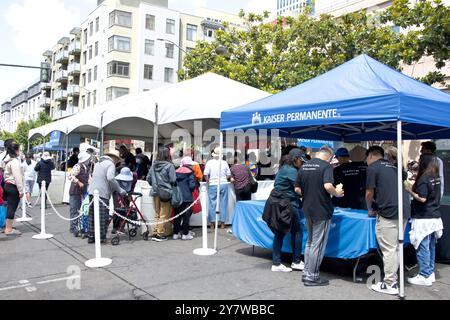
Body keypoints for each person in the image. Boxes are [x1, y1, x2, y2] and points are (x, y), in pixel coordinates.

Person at [295, 146, 344, 286]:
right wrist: (337, 193)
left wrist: (308, 195)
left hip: (307, 209)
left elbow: (297, 188)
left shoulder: (304, 166)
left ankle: (307, 272)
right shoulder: (326, 167)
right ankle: (312, 276)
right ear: (329, 157)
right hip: (321, 210)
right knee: (318, 244)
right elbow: (328, 186)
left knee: (310, 242)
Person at [365, 146, 409, 295]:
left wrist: (370, 208)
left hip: (389, 212)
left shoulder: (372, 168)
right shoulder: (394, 167)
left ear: (371, 156)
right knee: (396, 247)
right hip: (404, 210)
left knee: (389, 249)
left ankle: (390, 283)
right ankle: (394, 279)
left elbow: (369, 193)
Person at [264, 148, 308, 273]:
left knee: (280, 232)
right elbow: (300, 188)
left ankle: (277, 262)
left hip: (278, 202)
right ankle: (296, 261)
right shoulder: (291, 171)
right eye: (301, 161)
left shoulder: (284, 168)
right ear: (296, 159)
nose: (303, 163)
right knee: (297, 231)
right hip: (286, 204)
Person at [406, 154, 444, 286]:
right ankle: (430, 272)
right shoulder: (436, 177)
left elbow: (422, 198)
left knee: (423, 246)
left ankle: (424, 275)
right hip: (434, 216)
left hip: (424, 217)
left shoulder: (424, 179)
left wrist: (409, 190)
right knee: (430, 246)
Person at [87, 152, 126, 244]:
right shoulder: (110, 164)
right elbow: (110, 178)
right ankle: (101, 237)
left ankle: (91, 236)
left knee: (92, 215)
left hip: (92, 191)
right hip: (102, 193)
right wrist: (120, 190)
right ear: (113, 158)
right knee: (102, 216)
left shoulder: (98, 163)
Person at [147, 147, 176, 242]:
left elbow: (148, 178)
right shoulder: (170, 166)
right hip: (165, 192)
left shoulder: (153, 165)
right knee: (164, 214)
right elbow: (173, 180)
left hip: (155, 192)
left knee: (157, 213)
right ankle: (159, 234)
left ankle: (155, 232)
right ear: (167, 154)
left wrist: (155, 185)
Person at [204, 146, 232, 230]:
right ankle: (222, 224)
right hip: (223, 183)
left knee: (212, 204)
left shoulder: (209, 162)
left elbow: (205, 174)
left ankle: (212, 224)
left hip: (213, 184)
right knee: (223, 203)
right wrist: (224, 178)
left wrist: (208, 181)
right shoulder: (224, 162)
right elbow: (228, 174)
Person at [68, 151, 92, 237]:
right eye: (88, 158)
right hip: (75, 191)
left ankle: (80, 226)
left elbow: (89, 178)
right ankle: (73, 227)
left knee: (82, 210)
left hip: (83, 191)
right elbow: (70, 176)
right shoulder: (77, 166)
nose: (89, 160)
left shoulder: (86, 168)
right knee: (74, 209)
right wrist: (78, 182)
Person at [2, 142, 24, 236]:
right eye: (19, 149)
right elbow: (17, 177)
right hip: (13, 186)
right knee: (12, 208)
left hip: (7, 185)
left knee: (9, 207)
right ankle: (9, 229)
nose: (20, 151)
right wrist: (21, 190)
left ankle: (7, 227)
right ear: (15, 150)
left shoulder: (7, 160)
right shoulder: (14, 162)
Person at [173, 157, 196, 240]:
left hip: (177, 197)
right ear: (188, 164)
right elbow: (192, 186)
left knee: (177, 215)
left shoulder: (175, 171)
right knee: (186, 216)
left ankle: (176, 233)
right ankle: (185, 234)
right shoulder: (190, 173)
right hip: (187, 197)